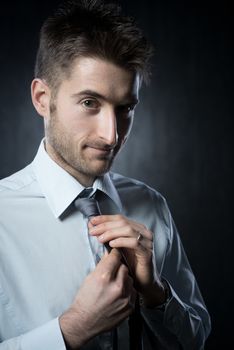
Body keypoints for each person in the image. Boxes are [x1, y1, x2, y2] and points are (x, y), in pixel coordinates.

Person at [0, 0, 211, 349]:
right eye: (89, 103)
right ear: (42, 98)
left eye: (125, 108)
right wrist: (72, 329)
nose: (111, 135)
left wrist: (156, 295)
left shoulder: (151, 205)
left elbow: (195, 341)